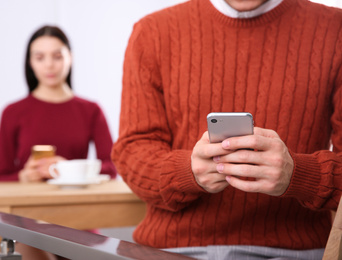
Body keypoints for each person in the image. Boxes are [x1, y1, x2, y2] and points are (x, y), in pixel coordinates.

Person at [112, 0, 342, 259]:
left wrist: (298, 176)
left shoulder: (336, 29)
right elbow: (133, 152)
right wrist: (187, 173)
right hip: (172, 250)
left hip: (293, 251)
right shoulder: (152, 32)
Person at [0, 25, 117, 183]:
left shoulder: (91, 110)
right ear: (30, 62)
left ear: (70, 58)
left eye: (57, 56)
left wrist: (69, 169)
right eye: (40, 58)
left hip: (75, 203)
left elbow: (111, 168)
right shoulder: (12, 112)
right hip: (27, 204)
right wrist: (22, 177)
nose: (49, 65)